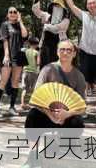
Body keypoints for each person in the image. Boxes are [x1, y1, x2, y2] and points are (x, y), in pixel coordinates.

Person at [22, 40, 86, 168]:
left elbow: (81, 106)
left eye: (69, 50)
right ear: (57, 52)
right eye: (62, 49)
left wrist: (67, 114)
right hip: (47, 114)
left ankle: (61, 143)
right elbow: (36, 98)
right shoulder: (48, 69)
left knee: (78, 122)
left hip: (66, 116)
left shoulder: (79, 76)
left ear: (74, 54)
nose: (65, 52)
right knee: (32, 115)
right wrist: (50, 114)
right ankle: (33, 154)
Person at [0, 7, 29, 117]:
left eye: (15, 12)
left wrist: (21, 21)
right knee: (3, 81)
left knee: (15, 82)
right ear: (7, 14)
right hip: (8, 57)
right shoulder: (5, 25)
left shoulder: (19, 25)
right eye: (11, 12)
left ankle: (12, 107)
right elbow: (5, 41)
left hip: (19, 57)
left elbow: (24, 35)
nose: (13, 13)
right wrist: (6, 56)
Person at [32, 0, 70, 68]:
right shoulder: (47, 16)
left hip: (58, 47)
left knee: (56, 67)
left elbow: (57, 28)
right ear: (52, 7)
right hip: (45, 46)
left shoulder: (65, 20)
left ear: (62, 8)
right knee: (44, 67)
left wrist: (47, 26)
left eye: (59, 6)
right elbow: (36, 11)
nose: (56, 7)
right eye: (55, 5)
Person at [21, 36, 40, 110]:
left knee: (24, 89)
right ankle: (32, 104)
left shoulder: (25, 51)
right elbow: (38, 63)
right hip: (33, 72)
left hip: (25, 71)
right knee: (33, 89)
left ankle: (22, 104)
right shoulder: (36, 52)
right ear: (36, 44)